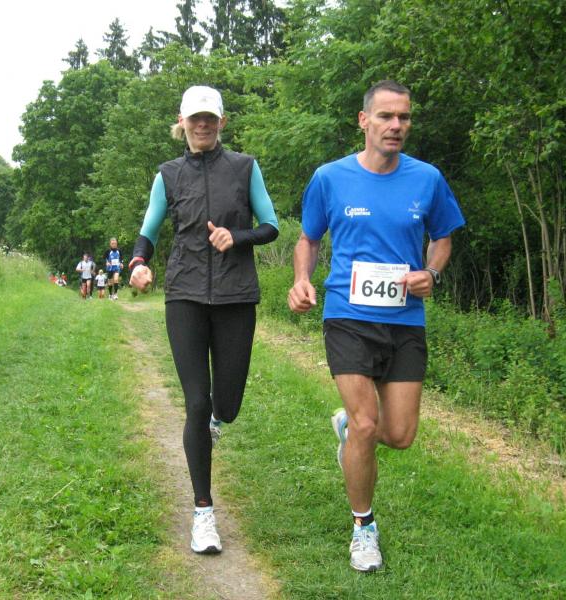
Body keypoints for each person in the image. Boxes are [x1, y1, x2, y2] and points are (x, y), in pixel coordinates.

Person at [288, 80, 465, 572]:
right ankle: (363, 528)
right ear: (363, 121)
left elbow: (443, 238)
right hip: (347, 314)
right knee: (369, 423)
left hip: (405, 319)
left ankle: (347, 428)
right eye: (386, 116)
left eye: (404, 117)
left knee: (400, 434)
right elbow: (308, 238)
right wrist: (301, 279)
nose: (396, 125)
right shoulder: (330, 177)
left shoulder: (427, 179)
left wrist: (431, 273)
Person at [129, 85, 279, 554]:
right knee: (196, 402)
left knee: (226, 405)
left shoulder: (245, 167)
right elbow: (149, 228)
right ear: (182, 122)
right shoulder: (168, 175)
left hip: (236, 297)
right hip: (186, 296)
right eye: (195, 118)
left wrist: (237, 236)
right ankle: (203, 513)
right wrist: (138, 262)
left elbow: (271, 225)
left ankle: (218, 416)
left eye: (210, 118)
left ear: (221, 123)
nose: (202, 125)